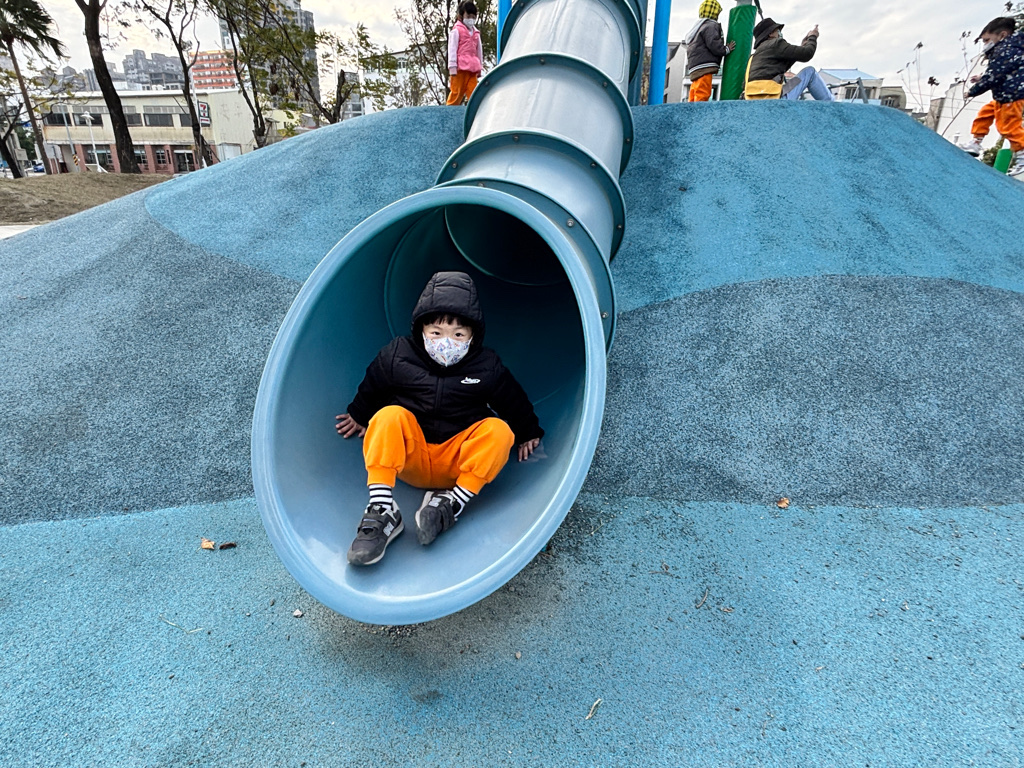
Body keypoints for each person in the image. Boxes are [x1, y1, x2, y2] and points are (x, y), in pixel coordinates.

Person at [336, 271, 544, 566]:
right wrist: (358, 414)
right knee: (388, 415)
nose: (447, 343)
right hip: (410, 457)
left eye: (458, 335)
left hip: (458, 462)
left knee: (499, 430)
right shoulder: (398, 355)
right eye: (436, 333)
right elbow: (374, 384)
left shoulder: (486, 365)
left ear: (473, 336)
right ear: (421, 329)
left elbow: (512, 400)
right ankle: (383, 508)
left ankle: (450, 503)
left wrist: (528, 432)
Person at [958, 17, 1024, 177]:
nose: (985, 44)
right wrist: (982, 76)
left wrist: (973, 91)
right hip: (1005, 95)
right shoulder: (1012, 49)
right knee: (985, 112)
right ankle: (976, 142)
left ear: (1002, 35)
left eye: (987, 40)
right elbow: (1004, 71)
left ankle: (1022, 153)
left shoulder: (1004, 50)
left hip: (1012, 96)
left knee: (1008, 126)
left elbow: (994, 76)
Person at [746, 17, 834, 101]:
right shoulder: (776, 43)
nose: (779, 34)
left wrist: (802, 46)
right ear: (771, 34)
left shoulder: (753, 58)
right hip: (775, 98)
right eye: (778, 31)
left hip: (753, 100)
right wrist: (813, 37)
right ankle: (832, 104)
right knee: (810, 72)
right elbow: (807, 54)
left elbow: (782, 65)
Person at [684, 0, 735, 102]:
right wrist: (725, 49)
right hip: (705, 65)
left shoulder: (698, 27)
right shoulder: (711, 25)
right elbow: (713, 43)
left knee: (695, 90)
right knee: (703, 91)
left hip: (695, 66)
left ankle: (691, 108)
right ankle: (700, 109)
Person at [447, 1, 484, 106]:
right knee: (456, 93)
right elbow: (452, 49)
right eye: (468, 16)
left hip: (472, 69)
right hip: (459, 69)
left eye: (473, 17)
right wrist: (452, 67)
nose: (471, 19)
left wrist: (479, 68)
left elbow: (479, 51)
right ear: (461, 16)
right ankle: (449, 111)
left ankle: (475, 112)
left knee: (474, 93)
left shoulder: (476, 33)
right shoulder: (456, 31)